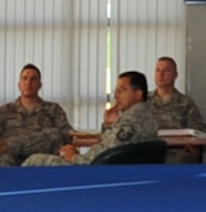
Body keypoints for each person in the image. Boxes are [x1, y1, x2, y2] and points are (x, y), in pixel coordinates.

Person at [24, 71, 159, 165]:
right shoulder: (145, 115)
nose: (116, 96)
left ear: (138, 94)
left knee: (34, 161)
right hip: (108, 168)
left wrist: (74, 157)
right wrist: (108, 124)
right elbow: (112, 148)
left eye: (122, 90)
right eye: (116, 91)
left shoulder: (131, 121)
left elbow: (105, 154)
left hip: (91, 171)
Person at [0, 64, 72, 166]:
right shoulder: (5, 111)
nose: (28, 83)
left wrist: (8, 145)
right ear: (19, 84)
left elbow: (66, 135)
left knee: (53, 135)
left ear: (40, 85)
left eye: (33, 79)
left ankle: (10, 146)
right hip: (11, 160)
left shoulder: (53, 109)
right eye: (24, 78)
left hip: (42, 159)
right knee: (1, 158)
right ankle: (10, 149)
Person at [146, 55, 206, 162]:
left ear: (175, 75)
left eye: (166, 71)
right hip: (149, 151)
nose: (161, 74)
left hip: (176, 153)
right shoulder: (144, 101)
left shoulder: (186, 102)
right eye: (158, 70)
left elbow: (199, 130)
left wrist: (191, 145)